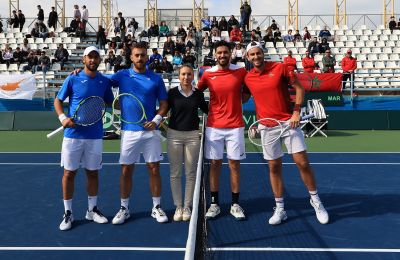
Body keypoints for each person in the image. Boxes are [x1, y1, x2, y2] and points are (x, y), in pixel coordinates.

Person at [244, 41, 329, 226]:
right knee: (274, 167)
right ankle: (280, 208)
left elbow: (300, 88)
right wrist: (256, 124)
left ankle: (316, 200)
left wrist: (297, 111)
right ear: (247, 57)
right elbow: (251, 99)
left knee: (302, 163)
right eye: (252, 55)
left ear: (263, 53)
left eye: (258, 53)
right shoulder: (248, 78)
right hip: (267, 126)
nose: (256, 57)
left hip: (288, 123)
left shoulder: (280, 67)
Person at [54, 46, 114, 231]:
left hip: (95, 136)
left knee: (93, 173)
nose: (93, 60)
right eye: (90, 57)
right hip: (72, 136)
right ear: (84, 59)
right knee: (69, 173)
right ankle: (68, 213)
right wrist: (63, 117)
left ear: (99, 60)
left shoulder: (104, 81)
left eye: (96, 57)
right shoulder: (73, 78)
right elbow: (58, 100)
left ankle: (92, 210)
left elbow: (109, 102)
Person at [110, 41, 169, 225]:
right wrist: (79, 73)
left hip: (150, 131)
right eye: (137, 55)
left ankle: (157, 207)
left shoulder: (156, 79)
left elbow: (164, 104)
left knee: (154, 169)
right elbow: (99, 81)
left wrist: (156, 121)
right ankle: (124, 208)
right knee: (126, 170)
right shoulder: (121, 75)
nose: (140, 58)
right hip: (129, 132)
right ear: (131, 57)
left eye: (143, 55)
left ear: (147, 56)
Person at [197, 40, 247, 220]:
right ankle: (214, 204)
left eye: (225, 52)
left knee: (234, 165)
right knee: (215, 165)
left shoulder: (240, 71)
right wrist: (207, 109)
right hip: (214, 127)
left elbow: (247, 92)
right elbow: (197, 93)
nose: (222, 55)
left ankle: (235, 204)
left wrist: (238, 101)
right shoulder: (208, 74)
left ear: (231, 53)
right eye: (219, 53)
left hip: (235, 127)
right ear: (214, 54)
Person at [167, 64, 208, 221]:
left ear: (193, 76)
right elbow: (163, 109)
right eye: (183, 74)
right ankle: (178, 207)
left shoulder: (198, 94)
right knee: (175, 173)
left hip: (192, 136)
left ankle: (187, 206)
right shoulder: (171, 93)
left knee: (191, 173)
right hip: (174, 136)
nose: (186, 77)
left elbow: (207, 110)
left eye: (189, 74)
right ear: (179, 76)